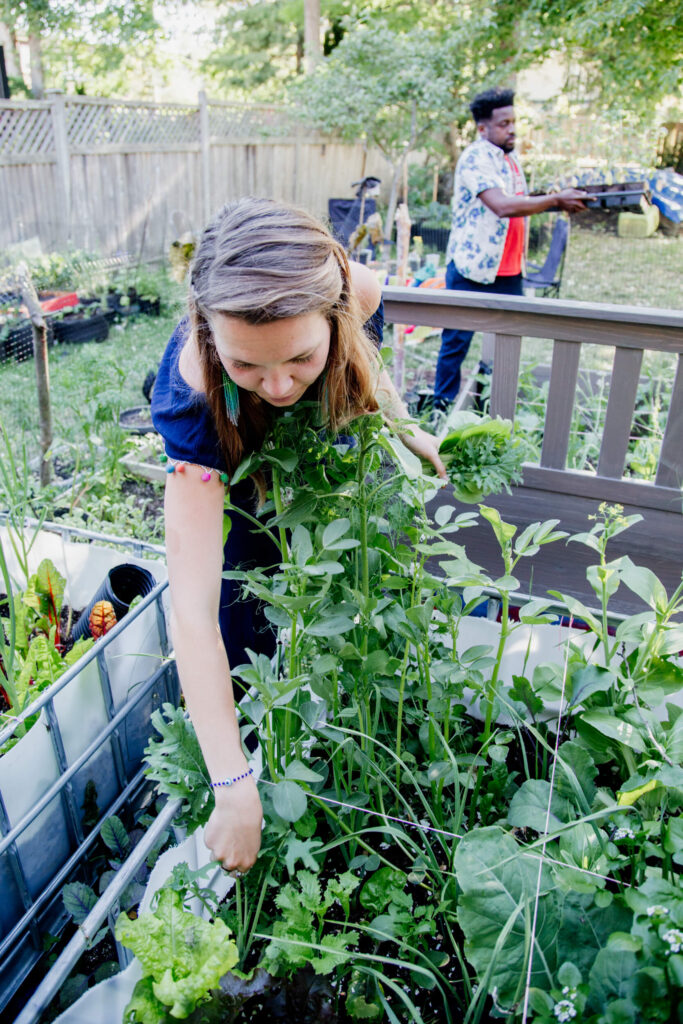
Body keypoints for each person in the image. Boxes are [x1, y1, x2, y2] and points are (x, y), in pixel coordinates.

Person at [151, 197, 446, 877]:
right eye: (247, 365)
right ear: (206, 330)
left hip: (306, 444)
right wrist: (232, 787)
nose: (279, 385)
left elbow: (365, 364)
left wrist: (406, 429)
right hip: (233, 448)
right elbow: (187, 611)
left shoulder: (355, 288)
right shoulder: (193, 399)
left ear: (334, 314)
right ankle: (247, 748)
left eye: (300, 358)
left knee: (333, 570)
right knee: (238, 600)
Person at [432, 86, 588, 411]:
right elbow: (501, 206)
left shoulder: (510, 158)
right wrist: (556, 201)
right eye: (504, 123)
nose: (512, 128)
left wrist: (558, 197)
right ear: (482, 128)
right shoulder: (475, 157)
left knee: (507, 343)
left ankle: (497, 408)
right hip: (473, 268)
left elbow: (521, 202)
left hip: (509, 269)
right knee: (456, 342)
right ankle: (440, 409)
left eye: (514, 121)